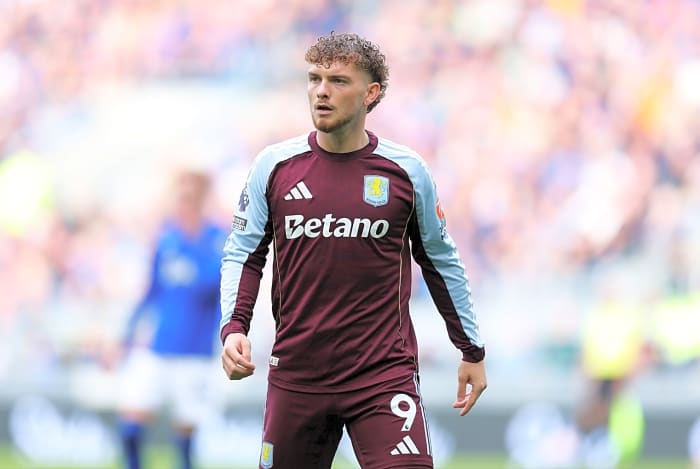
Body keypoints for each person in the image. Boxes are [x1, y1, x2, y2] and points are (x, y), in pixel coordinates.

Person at [220, 32, 487, 469]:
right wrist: (234, 327)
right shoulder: (274, 166)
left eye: (338, 81)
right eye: (314, 79)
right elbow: (243, 254)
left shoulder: (406, 171)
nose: (321, 91)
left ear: (371, 93)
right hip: (298, 373)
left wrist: (471, 349)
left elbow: (441, 261)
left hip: (382, 374)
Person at [116, 169, 227, 469]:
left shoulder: (217, 240)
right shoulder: (166, 239)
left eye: (190, 193)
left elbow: (214, 288)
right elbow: (152, 291)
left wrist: (226, 337)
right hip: (158, 346)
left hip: (194, 353)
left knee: (185, 439)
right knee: (130, 424)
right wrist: (127, 332)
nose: (183, 200)